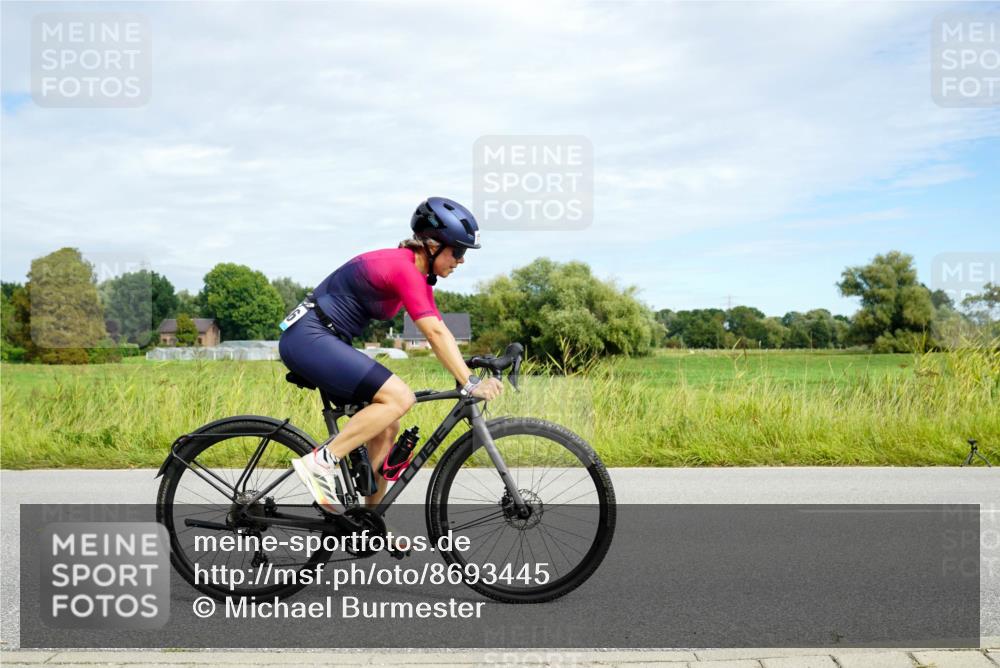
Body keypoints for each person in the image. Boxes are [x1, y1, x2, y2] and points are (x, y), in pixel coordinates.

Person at [278, 197, 504, 514]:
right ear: (433, 245)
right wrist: (469, 383)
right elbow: (434, 334)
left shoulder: (418, 276)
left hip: (324, 339)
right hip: (309, 337)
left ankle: (368, 521)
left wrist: (469, 368)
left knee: (387, 426)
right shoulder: (403, 269)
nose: (461, 261)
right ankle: (320, 462)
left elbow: (442, 330)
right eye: (459, 251)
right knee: (400, 397)